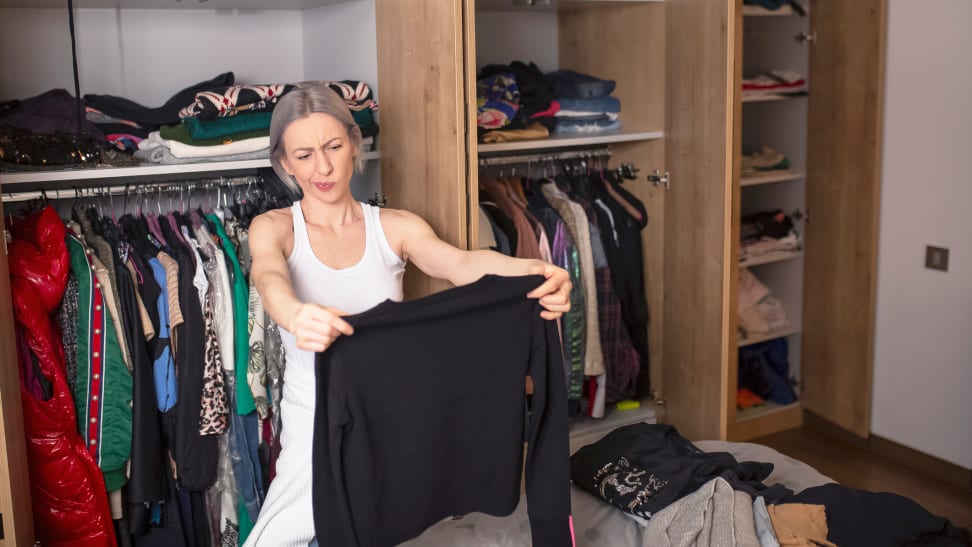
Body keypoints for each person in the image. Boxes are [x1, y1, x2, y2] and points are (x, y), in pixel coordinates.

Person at [243, 84, 572, 546]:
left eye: (334, 147)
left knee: (372, 526)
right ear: (284, 163)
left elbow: (460, 264)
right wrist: (296, 315)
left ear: (355, 145)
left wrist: (538, 271)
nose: (322, 166)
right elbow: (269, 279)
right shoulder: (275, 227)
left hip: (389, 406)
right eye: (304, 153)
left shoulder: (394, 226)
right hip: (315, 411)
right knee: (279, 535)